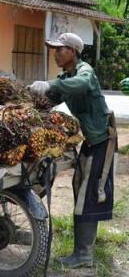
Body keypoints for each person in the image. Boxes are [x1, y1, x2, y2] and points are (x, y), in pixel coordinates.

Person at [29, 33, 115, 269]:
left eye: (60, 49)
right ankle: (84, 247)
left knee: (90, 193)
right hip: (89, 140)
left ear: (74, 51)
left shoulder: (83, 71)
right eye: (54, 49)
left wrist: (50, 84)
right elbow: (51, 99)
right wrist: (30, 97)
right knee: (81, 188)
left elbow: (81, 84)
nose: (55, 53)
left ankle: (84, 255)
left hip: (102, 140)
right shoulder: (65, 76)